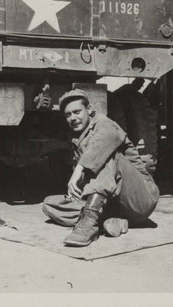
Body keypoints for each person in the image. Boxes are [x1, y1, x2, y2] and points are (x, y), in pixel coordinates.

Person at [42, 89, 160, 247]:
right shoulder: (78, 139)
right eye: (68, 115)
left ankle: (88, 224)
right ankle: (111, 221)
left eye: (77, 112)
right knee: (49, 204)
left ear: (89, 110)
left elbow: (103, 143)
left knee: (107, 156)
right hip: (115, 203)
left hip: (140, 198)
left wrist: (79, 170)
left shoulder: (105, 123)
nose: (73, 118)